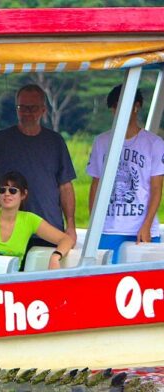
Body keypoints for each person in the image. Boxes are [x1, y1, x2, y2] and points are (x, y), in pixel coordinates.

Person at [0, 84, 77, 246]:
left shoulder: (55, 141)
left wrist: (71, 224)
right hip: (9, 231)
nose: (27, 113)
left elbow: (65, 186)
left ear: (43, 110)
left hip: (49, 229)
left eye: (33, 108)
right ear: (16, 109)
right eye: (22, 107)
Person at [87, 85, 164, 263]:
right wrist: (94, 224)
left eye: (122, 105)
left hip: (140, 227)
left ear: (136, 106)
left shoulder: (154, 143)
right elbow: (95, 185)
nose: (117, 111)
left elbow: (156, 188)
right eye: (114, 107)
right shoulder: (101, 141)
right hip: (108, 228)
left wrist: (146, 225)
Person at [0, 171, 74, 268]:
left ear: (23, 194)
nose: (7, 194)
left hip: (14, 281)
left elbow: (67, 239)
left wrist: (55, 257)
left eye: (12, 190)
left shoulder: (30, 220)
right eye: (2, 190)